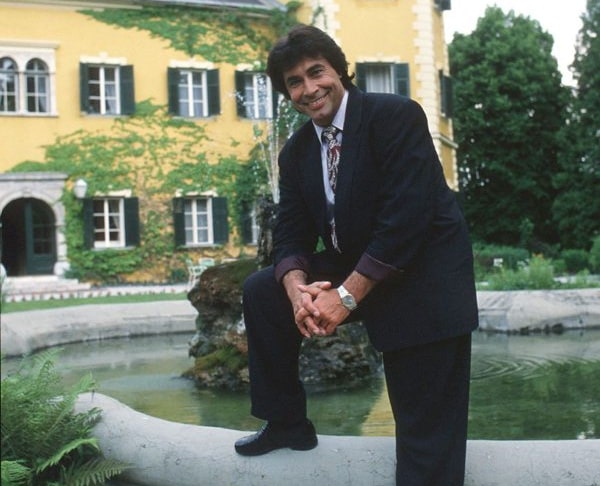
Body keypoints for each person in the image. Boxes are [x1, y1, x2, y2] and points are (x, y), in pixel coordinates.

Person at [234, 24, 479, 485]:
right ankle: (286, 423)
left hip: (425, 277)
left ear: (339, 70)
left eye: (316, 72)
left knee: (424, 447)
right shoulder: (297, 153)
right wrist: (296, 291)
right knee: (263, 291)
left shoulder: (395, 116)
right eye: (294, 82)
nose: (309, 89)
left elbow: (405, 222)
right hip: (360, 266)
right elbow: (290, 235)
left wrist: (345, 297)